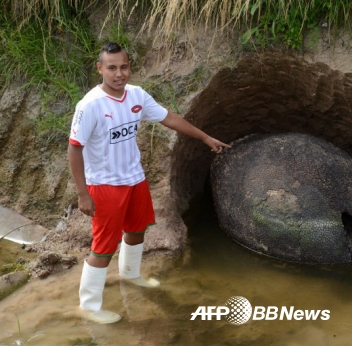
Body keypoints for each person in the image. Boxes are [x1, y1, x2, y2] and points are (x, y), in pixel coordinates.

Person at [68, 42, 230, 324]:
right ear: (100, 69)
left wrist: (205, 138)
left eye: (124, 67)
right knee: (103, 247)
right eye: (112, 68)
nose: (119, 74)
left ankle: (130, 275)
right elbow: (74, 148)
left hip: (135, 179)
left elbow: (170, 118)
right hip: (105, 186)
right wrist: (83, 194)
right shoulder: (90, 105)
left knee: (137, 231)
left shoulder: (137, 95)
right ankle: (89, 307)